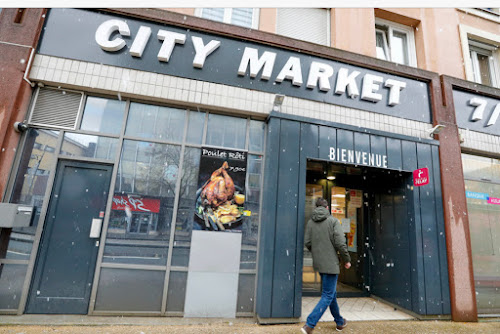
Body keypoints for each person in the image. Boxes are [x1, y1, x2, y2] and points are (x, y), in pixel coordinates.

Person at [302, 198, 351, 333]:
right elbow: (340, 243)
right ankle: (309, 324)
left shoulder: (311, 222)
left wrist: (317, 253)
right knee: (328, 295)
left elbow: (307, 242)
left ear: (317, 208)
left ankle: (339, 322)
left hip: (319, 263)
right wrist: (346, 259)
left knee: (331, 294)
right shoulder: (333, 221)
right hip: (330, 263)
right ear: (327, 208)